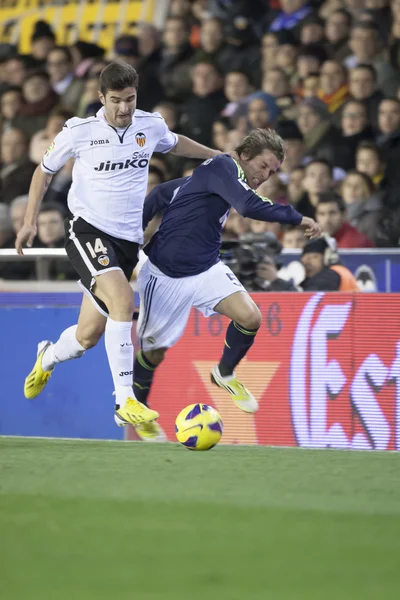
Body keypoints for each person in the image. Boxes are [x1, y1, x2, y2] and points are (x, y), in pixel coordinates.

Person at [15, 61, 220, 439]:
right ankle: (124, 400)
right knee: (124, 301)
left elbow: (175, 141)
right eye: (116, 101)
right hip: (87, 231)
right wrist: (29, 220)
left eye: (130, 99)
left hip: (127, 242)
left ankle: (47, 356)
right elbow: (43, 171)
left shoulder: (150, 124)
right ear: (100, 98)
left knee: (86, 338)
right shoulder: (80, 132)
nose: (124, 108)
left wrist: (218, 157)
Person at [133, 129, 320, 424]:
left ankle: (225, 372)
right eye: (263, 166)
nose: (265, 176)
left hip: (206, 267)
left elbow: (161, 193)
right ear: (245, 155)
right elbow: (247, 206)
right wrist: (297, 218)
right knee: (154, 352)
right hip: (164, 274)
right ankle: (139, 411)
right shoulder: (222, 166)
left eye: (272, 172)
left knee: (250, 317)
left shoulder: (219, 176)